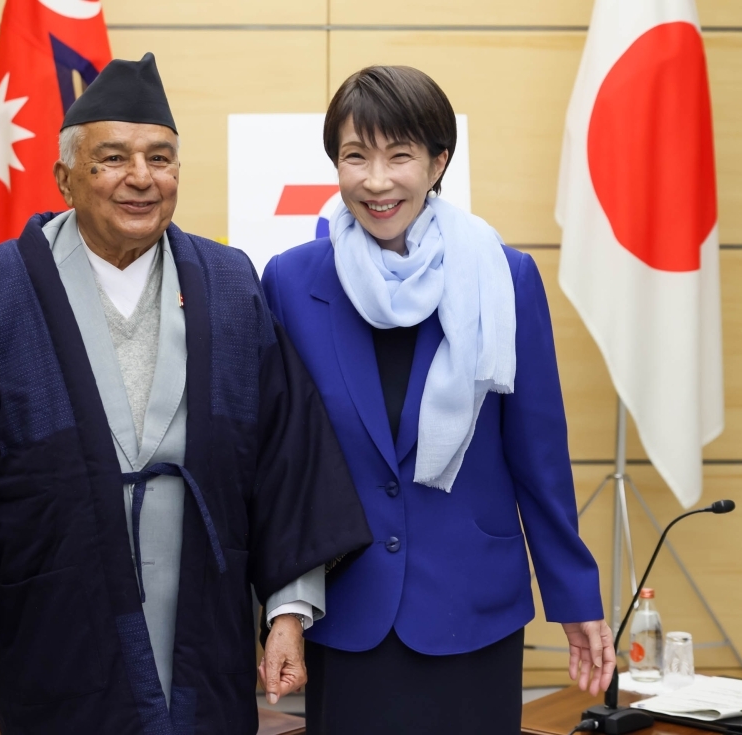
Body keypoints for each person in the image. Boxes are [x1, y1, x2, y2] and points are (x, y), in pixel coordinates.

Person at [0, 53, 371, 735]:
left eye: (160, 158)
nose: (141, 177)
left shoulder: (230, 284)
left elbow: (288, 461)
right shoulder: (3, 288)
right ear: (64, 178)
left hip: (205, 633)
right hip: (53, 632)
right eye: (112, 158)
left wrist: (285, 614)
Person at [260, 65, 615, 735]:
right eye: (355, 156)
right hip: (349, 610)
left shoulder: (503, 275)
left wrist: (574, 595)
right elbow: (284, 465)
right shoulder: (290, 281)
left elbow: (538, 456)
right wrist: (283, 611)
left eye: (399, 155)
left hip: (472, 606)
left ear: (438, 162)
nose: (376, 180)